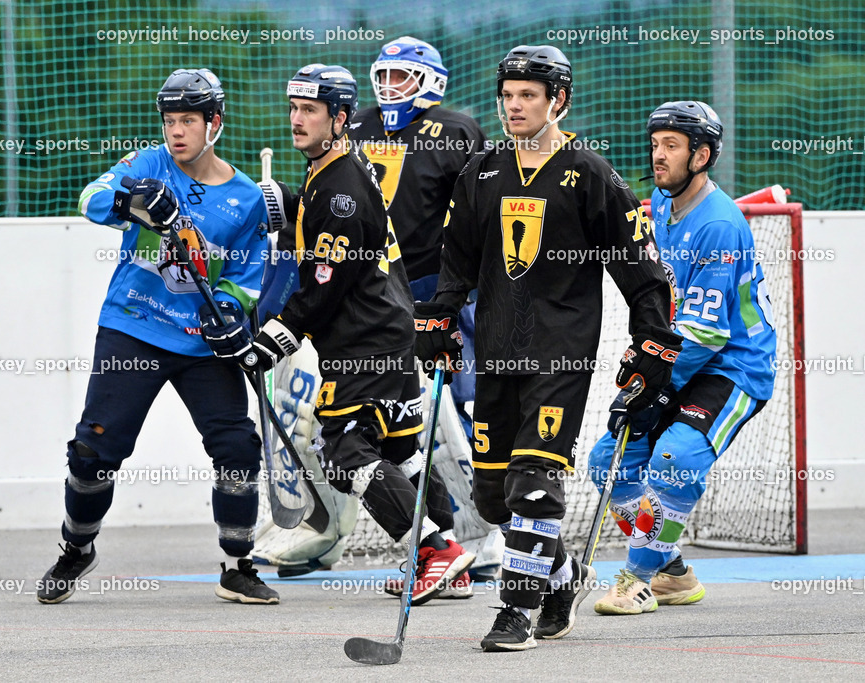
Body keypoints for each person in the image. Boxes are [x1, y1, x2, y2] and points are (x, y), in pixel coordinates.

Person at [414, 45, 679, 651]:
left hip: (560, 354)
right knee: (493, 494)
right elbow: (455, 259)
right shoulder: (481, 172)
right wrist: (436, 320)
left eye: (528, 95)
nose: (514, 106)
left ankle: (515, 612)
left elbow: (639, 266)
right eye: (508, 95)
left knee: (535, 483)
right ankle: (560, 581)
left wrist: (654, 343)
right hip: (497, 350)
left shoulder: (589, 172)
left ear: (557, 99)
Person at [218, 63, 474, 605]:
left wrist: (273, 338)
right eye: (293, 108)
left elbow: (324, 285)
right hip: (389, 333)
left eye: (310, 110)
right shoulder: (336, 170)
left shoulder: (339, 188)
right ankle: (453, 555)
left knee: (344, 453)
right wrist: (289, 203)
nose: (297, 119)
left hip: (363, 345)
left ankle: (434, 552)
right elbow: (332, 232)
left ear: (339, 117)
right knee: (402, 452)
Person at [36, 68, 279, 606]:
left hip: (202, 344)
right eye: (170, 121)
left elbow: (246, 275)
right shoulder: (149, 163)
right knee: (93, 450)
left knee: (238, 449)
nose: (176, 132)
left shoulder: (247, 198)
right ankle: (77, 548)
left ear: (214, 123)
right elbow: (91, 198)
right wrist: (133, 205)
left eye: (188, 120)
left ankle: (239, 566)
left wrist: (231, 313)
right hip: (134, 328)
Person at [587, 101, 777, 615]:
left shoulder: (719, 225)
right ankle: (671, 571)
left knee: (678, 458)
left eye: (671, 145)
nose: (658, 155)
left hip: (732, 363)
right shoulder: (659, 205)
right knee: (607, 462)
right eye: (655, 144)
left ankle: (637, 576)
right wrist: (648, 368)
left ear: (702, 155)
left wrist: (658, 386)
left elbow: (709, 333)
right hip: (681, 354)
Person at [348, 36, 488, 599]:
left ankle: (491, 532)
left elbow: (479, 213)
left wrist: (464, 294)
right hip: (379, 296)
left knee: (460, 408)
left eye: (403, 77)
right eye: (384, 75)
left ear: (431, 83)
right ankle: (446, 541)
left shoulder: (454, 130)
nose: (389, 88)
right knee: (408, 424)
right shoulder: (357, 125)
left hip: (439, 293)